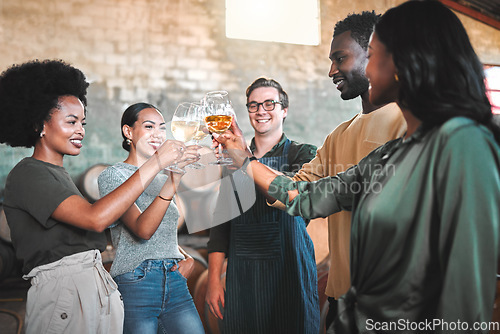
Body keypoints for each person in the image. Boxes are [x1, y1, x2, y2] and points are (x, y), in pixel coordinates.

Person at [215, 1, 500, 332]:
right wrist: (243, 158)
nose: (361, 68)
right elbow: (305, 196)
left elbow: (464, 287)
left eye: (374, 53)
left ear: (404, 62)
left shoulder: (461, 141)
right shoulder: (393, 154)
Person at [0, 59, 197, 334]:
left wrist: (170, 250)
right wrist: (157, 163)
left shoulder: (59, 175)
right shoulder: (29, 173)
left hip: (92, 287)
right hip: (64, 293)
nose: (80, 130)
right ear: (39, 125)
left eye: (82, 122)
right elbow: (96, 219)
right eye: (71, 121)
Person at [269, 11, 407, 327]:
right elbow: (295, 192)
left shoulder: (408, 124)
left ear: (374, 54)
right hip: (340, 300)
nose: (331, 70)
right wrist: (240, 164)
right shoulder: (339, 134)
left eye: (340, 58)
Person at [205, 77, 320, 333]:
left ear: (284, 110)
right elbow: (222, 222)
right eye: (253, 105)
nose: (261, 111)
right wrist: (213, 279)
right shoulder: (231, 159)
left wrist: (244, 158)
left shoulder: (304, 154)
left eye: (270, 103)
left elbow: (290, 193)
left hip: (289, 269)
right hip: (243, 272)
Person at [97, 103, 205, 334]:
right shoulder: (113, 176)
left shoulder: (163, 176)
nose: (157, 134)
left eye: (162, 128)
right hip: (138, 280)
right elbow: (143, 230)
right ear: (128, 132)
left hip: (175, 280)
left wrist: (187, 258)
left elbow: (164, 233)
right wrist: (173, 180)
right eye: (148, 126)